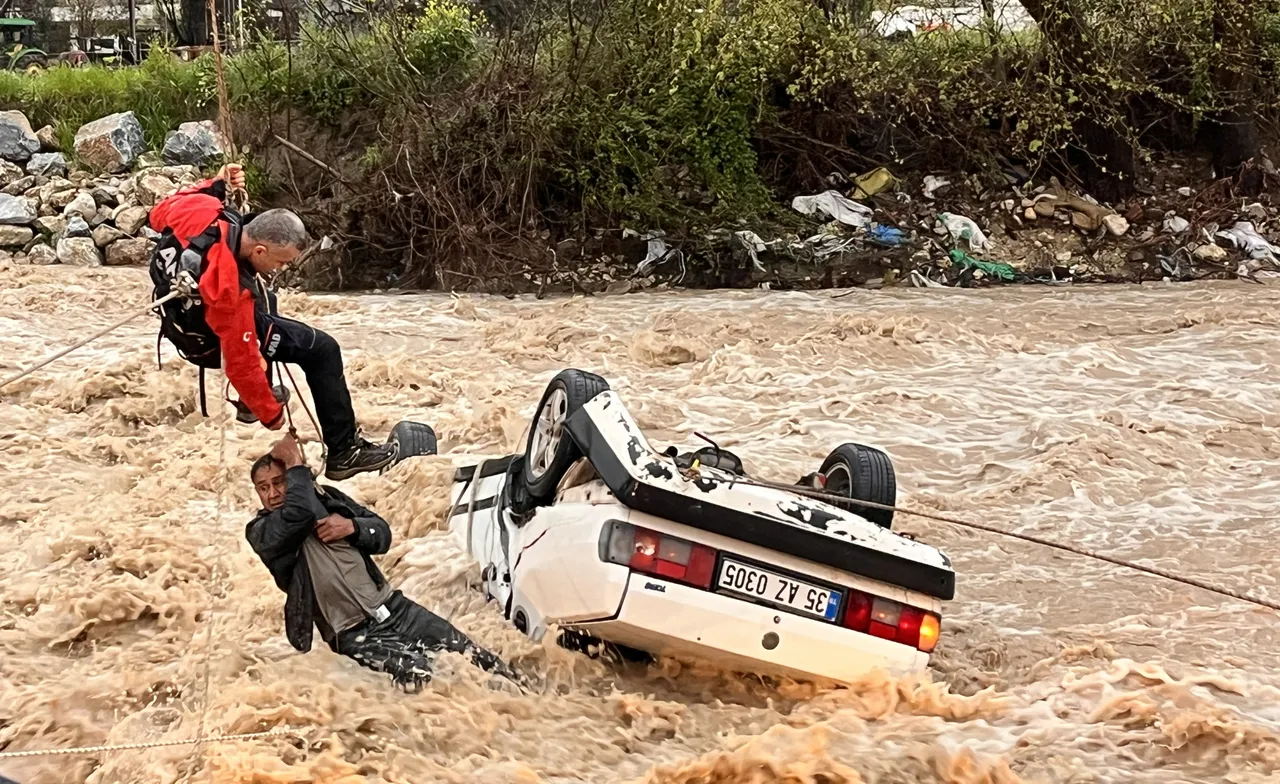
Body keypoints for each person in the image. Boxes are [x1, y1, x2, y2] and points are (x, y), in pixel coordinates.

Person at [149, 163, 394, 480]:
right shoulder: (229, 289)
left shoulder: (201, 207)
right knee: (323, 350)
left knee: (268, 299)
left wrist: (217, 182)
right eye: (280, 261)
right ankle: (345, 453)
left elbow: (158, 214)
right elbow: (241, 361)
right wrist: (271, 413)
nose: (279, 269)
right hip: (206, 338)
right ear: (260, 248)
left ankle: (256, 400)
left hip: (180, 318)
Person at [246, 434, 518, 691]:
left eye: (279, 482)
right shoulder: (261, 531)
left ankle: (529, 697)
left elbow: (383, 534)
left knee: (473, 655)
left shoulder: (328, 498)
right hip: (350, 632)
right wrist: (294, 464)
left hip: (395, 608)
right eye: (263, 487)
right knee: (417, 674)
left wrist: (353, 527)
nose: (273, 493)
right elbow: (299, 514)